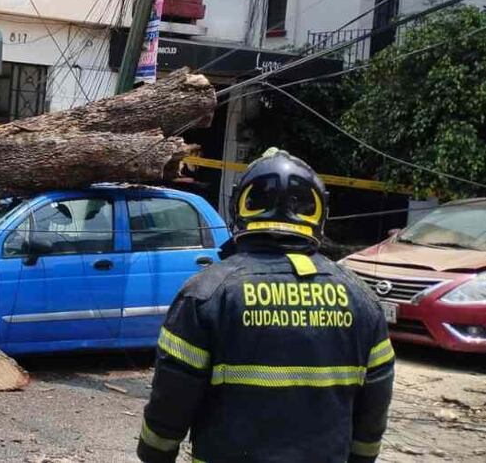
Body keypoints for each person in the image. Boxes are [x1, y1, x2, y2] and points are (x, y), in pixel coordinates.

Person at [136, 148, 394, 463]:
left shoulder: (206, 294)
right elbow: (374, 407)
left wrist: (154, 454)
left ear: (239, 209)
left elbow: (172, 397)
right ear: (319, 213)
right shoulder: (362, 300)